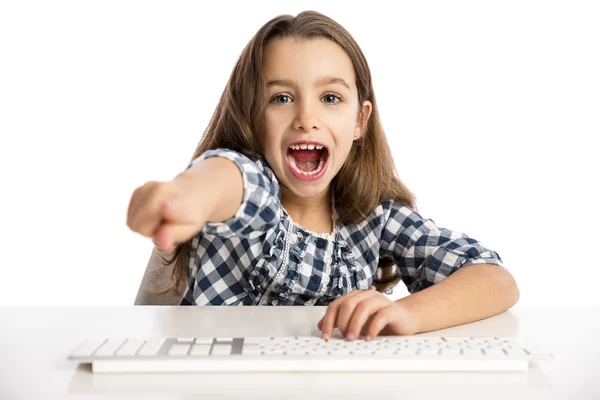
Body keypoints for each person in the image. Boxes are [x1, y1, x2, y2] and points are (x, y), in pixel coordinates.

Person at [127, 10, 519, 341]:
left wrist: (407, 314)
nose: (306, 120)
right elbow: (228, 180)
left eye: (330, 98)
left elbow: (495, 280)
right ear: (252, 116)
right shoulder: (254, 187)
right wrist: (186, 197)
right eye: (281, 98)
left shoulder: (375, 219)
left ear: (359, 121)